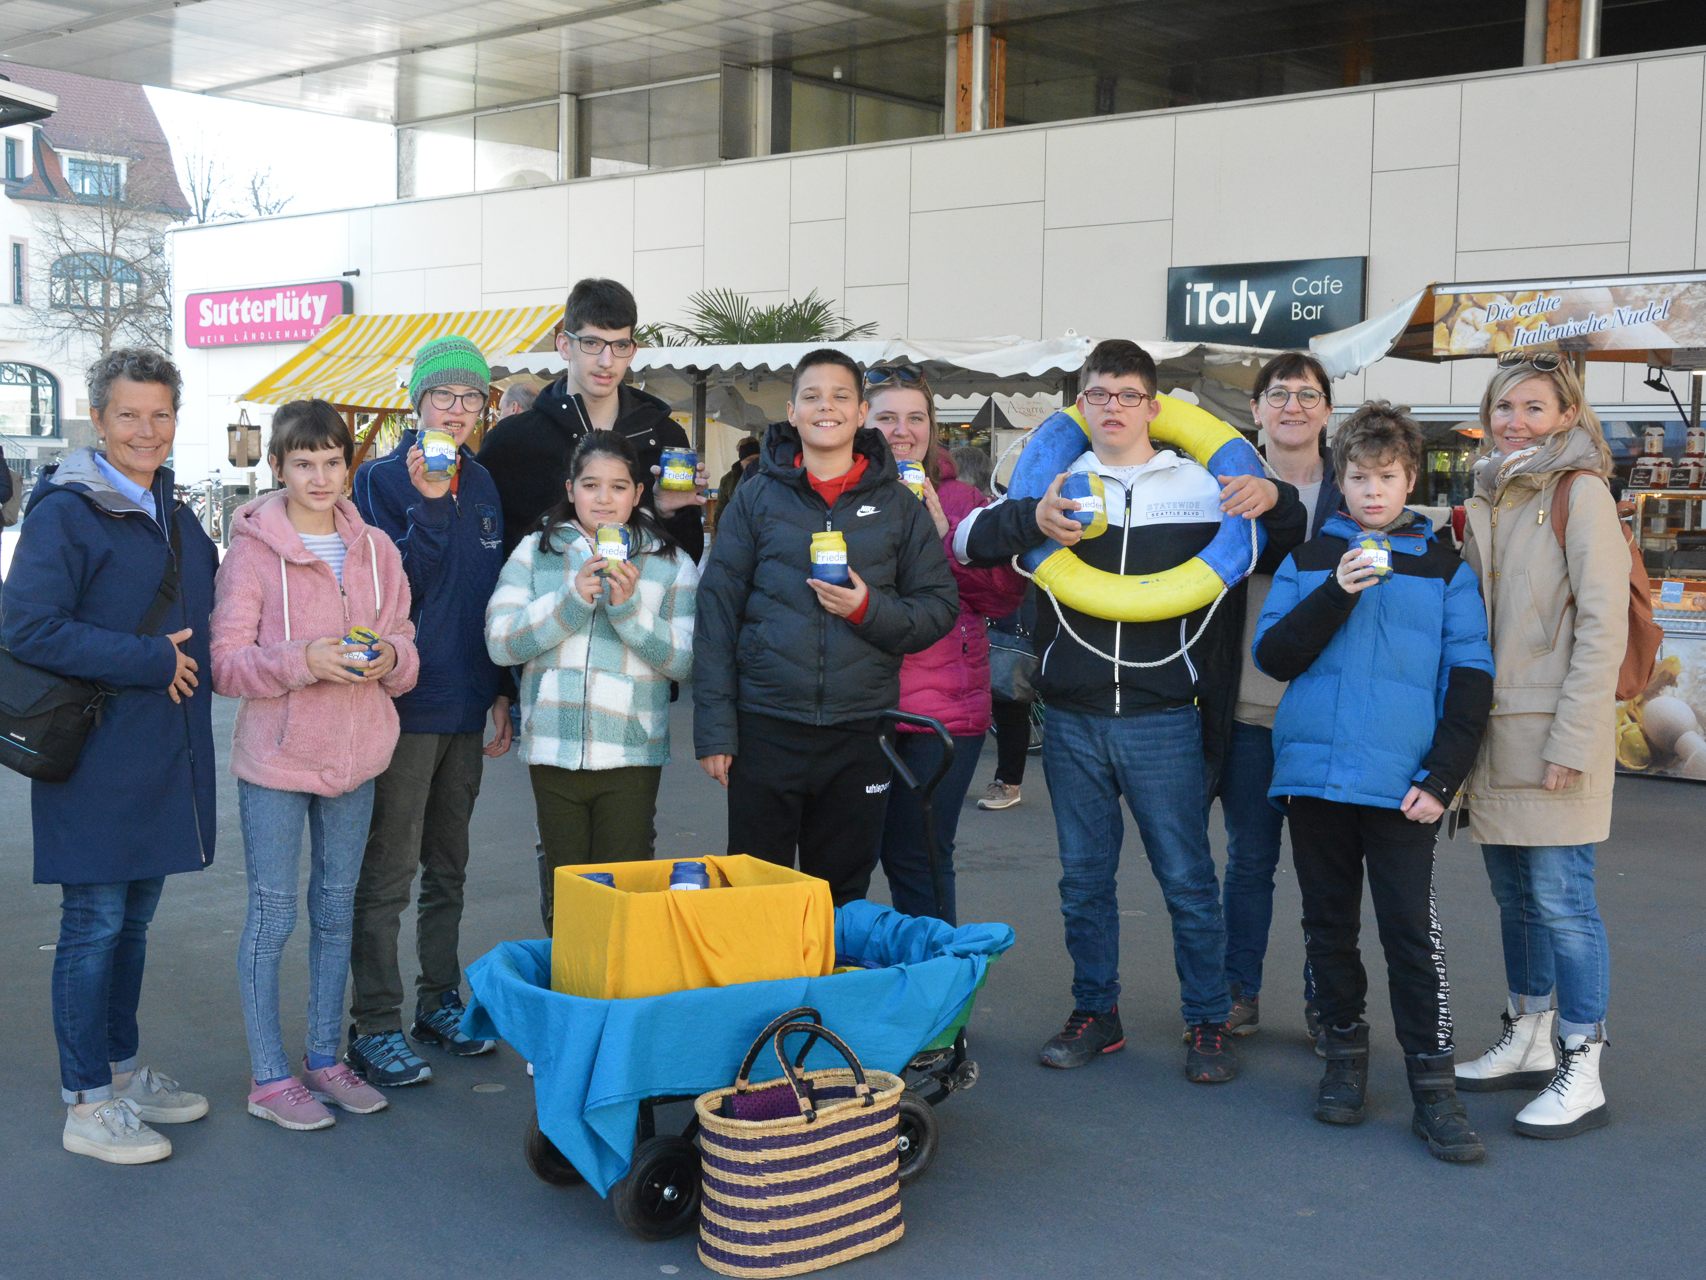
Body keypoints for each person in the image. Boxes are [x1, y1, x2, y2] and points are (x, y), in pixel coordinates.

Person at [955, 338, 1304, 1082]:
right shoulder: (1057, 480)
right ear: (1081, 404)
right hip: (1072, 716)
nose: (1112, 407)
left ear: (1153, 405)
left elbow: (1290, 539)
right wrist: (1031, 519)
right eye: (1098, 394)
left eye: (1127, 395)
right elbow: (969, 541)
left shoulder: (1201, 484)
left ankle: (1207, 1019)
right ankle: (1096, 1012)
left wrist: (1279, 496)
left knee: (1187, 880)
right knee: (1083, 881)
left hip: (1164, 715)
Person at [1253, 401, 1494, 1163]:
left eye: (1386, 477)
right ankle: (1343, 1059)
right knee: (1327, 927)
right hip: (1315, 778)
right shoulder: (1308, 560)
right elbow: (1275, 658)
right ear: (1342, 480)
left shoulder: (1445, 567)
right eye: (1359, 478)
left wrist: (1442, 777)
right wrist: (1336, 590)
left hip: (1402, 787)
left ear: (1410, 479)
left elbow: (1471, 678)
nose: (1373, 491)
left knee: (1410, 935)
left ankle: (1435, 1090)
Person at [1, 348, 218, 1164]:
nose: (146, 431)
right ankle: (86, 1102)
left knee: (132, 923)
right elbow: (26, 626)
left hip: (160, 754)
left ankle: (121, 1072)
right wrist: (149, 660)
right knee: (92, 924)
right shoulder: (66, 511)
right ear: (97, 419)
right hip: (93, 751)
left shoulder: (175, 510)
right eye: (128, 414)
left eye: (160, 414)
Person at [211, 400, 419, 1129]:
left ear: (348, 466)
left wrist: (390, 657)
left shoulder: (377, 549)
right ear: (278, 466)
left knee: (335, 912)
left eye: (333, 462)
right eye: (304, 463)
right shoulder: (251, 553)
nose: (320, 477)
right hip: (275, 762)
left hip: (357, 758)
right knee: (273, 916)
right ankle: (270, 1077)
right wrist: (306, 660)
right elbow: (227, 665)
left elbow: (405, 645)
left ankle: (325, 1059)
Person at [693, 348, 958, 903]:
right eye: (812, 396)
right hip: (766, 726)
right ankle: (766, 968)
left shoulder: (898, 505)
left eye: (841, 396)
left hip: (860, 731)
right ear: (792, 412)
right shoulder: (756, 497)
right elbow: (717, 611)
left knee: (841, 895)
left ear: (861, 413)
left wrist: (866, 609)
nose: (826, 407)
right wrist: (716, 730)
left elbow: (938, 608)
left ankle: (828, 967)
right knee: (754, 893)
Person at [1453, 352, 1627, 1139]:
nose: (1515, 421)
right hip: (1496, 736)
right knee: (1517, 900)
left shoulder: (1578, 492)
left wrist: (1576, 739)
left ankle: (1582, 1062)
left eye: (1533, 407)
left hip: (1554, 735)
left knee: (1563, 902)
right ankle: (1529, 1033)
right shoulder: (1488, 494)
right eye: (1504, 406)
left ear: (1565, 416)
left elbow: (1602, 627)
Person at [347, 335, 511, 1087]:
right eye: (443, 395)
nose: (456, 409)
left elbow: (491, 593)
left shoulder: (486, 482)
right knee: (388, 872)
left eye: (471, 397)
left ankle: (438, 1000)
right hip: (404, 702)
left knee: (449, 867)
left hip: (467, 700)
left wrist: (501, 689)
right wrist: (432, 505)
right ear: (417, 403)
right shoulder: (378, 480)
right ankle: (374, 1024)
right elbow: (393, 588)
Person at [486, 430, 698, 928]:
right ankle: (568, 975)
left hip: (631, 751)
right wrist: (571, 601)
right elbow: (500, 642)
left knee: (623, 892)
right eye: (590, 485)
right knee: (567, 892)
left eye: (618, 487)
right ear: (570, 489)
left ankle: (620, 978)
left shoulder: (670, 563)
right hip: (552, 749)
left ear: (638, 493)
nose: (603, 499)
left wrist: (628, 612)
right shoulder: (536, 552)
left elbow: (685, 662)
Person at [1215, 351, 1345, 1042]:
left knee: (1328, 870)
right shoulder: (1223, 486)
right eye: (1278, 394)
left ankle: (1328, 1002)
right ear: (1257, 409)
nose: (1293, 405)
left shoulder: (1354, 490)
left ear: (1327, 410)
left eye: (1307, 394)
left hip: (1330, 709)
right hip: (1247, 705)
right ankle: (1239, 990)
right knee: (1249, 863)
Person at [869, 368, 1025, 923]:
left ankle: (936, 972)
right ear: (861, 422)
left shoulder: (964, 500)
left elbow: (1001, 597)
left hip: (945, 711)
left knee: (921, 855)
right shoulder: (839, 495)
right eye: (887, 418)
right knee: (848, 856)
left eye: (916, 418)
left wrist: (945, 538)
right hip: (858, 703)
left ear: (932, 427)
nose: (902, 431)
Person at [479, 278, 705, 560]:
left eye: (619, 345)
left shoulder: (665, 438)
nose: (606, 361)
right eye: (592, 343)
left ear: (632, 351)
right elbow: (483, 549)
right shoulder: (511, 441)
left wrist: (669, 514)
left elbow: (688, 560)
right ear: (564, 345)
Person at [715, 436, 760, 527]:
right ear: (741, 461)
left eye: (757, 459)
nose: (754, 463)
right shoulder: (728, 480)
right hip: (737, 529)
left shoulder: (769, 477)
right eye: (750, 460)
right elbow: (720, 512)